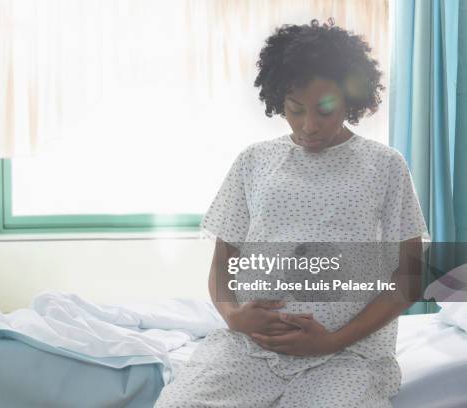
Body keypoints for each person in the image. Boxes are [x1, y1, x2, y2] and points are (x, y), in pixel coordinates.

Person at [155, 19, 428, 408]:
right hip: (249, 350)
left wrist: (332, 340)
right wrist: (233, 316)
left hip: (344, 356)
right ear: (278, 99)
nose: (309, 126)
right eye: (295, 110)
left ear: (351, 101)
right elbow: (224, 266)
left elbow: (409, 277)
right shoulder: (255, 161)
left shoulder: (384, 166)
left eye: (325, 110)